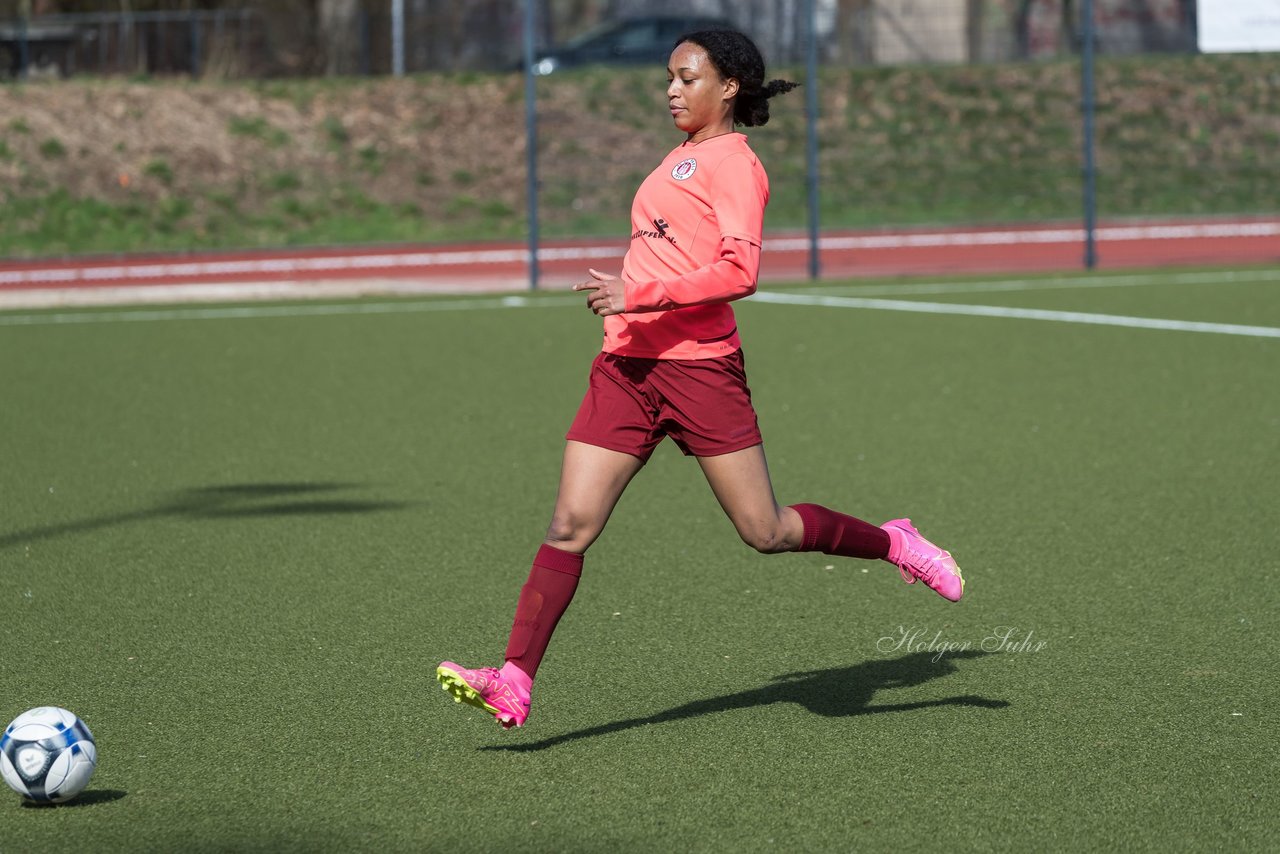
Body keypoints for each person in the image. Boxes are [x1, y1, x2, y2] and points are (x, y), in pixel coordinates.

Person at [437, 28, 964, 730]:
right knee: (569, 524)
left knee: (766, 531)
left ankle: (896, 542)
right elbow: (669, 249)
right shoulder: (681, 156)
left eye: (687, 78)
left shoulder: (736, 165)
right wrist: (631, 291)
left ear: (729, 87)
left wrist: (639, 294)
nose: (672, 90)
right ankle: (513, 679)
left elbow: (740, 273)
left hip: (699, 371)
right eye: (669, 78)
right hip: (626, 367)